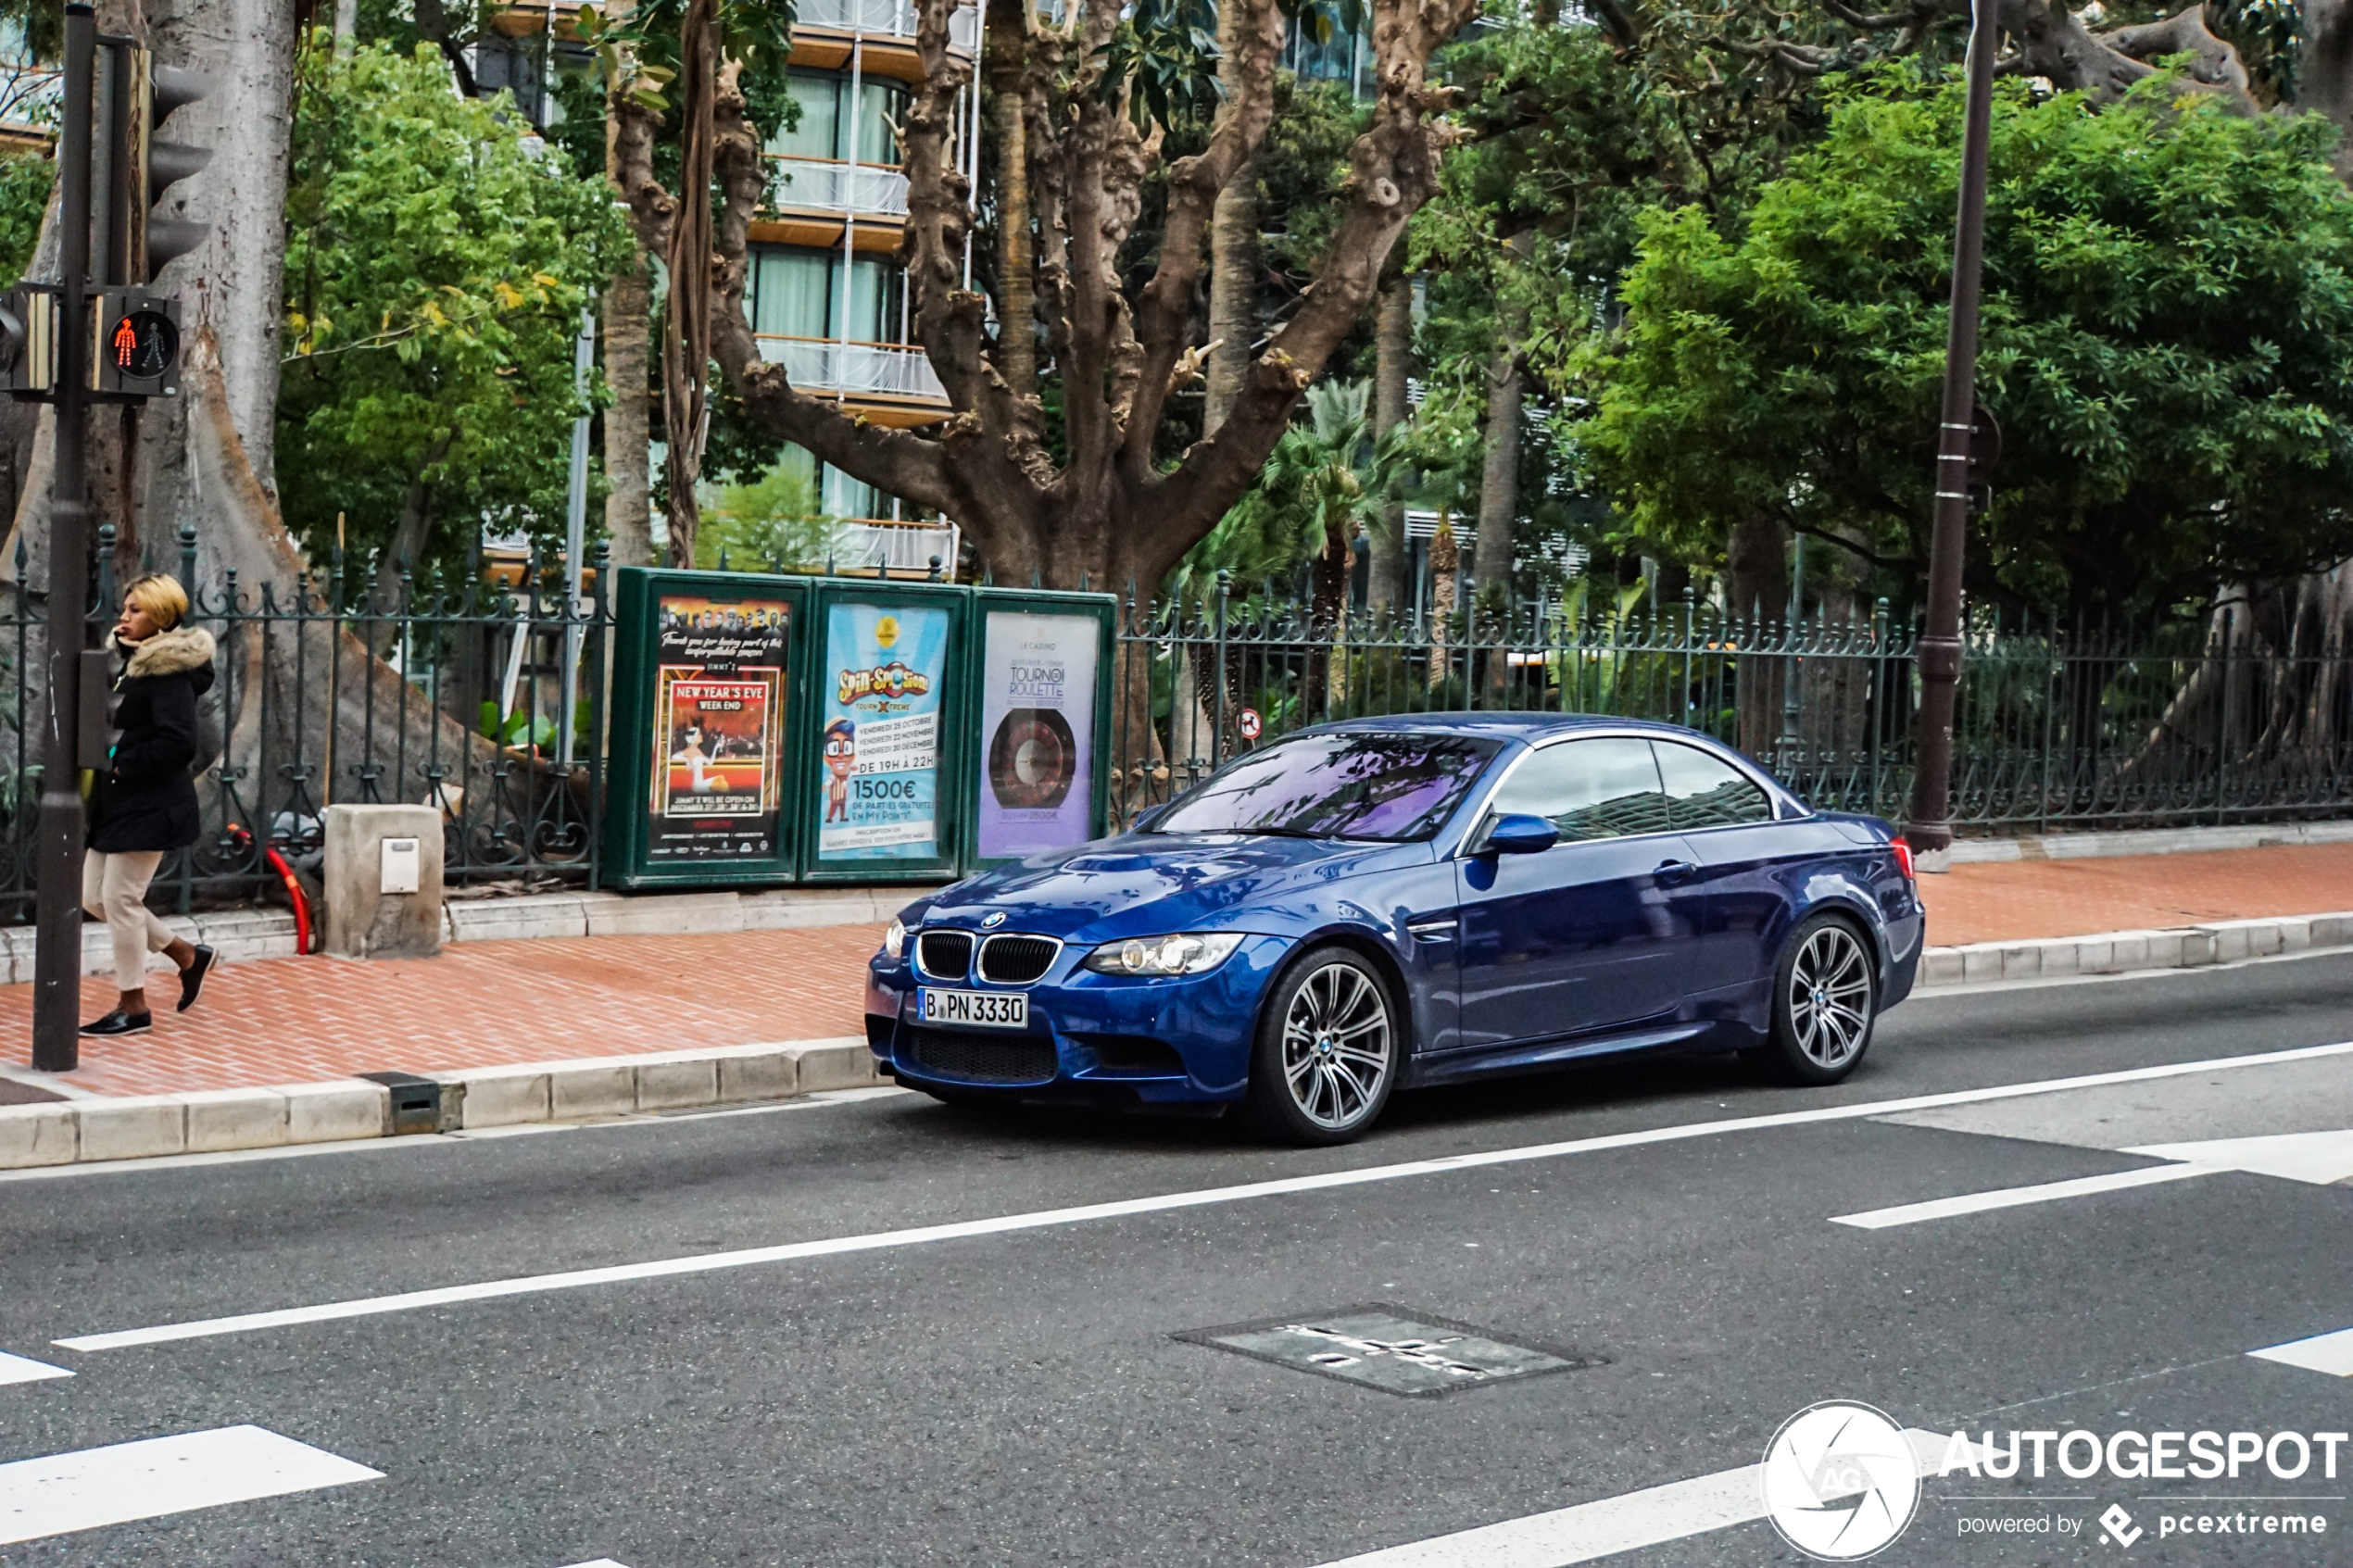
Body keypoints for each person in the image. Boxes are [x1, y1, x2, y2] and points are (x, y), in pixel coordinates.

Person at [79, 573, 218, 1037]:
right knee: (93, 897)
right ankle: (185, 954)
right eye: (125, 607)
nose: (124, 615)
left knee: (119, 899)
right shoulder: (132, 663)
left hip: (151, 804)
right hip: (119, 803)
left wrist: (122, 764)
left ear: (161, 616)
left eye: (135, 609)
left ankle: (133, 1005)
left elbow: (179, 743)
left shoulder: (168, 671)